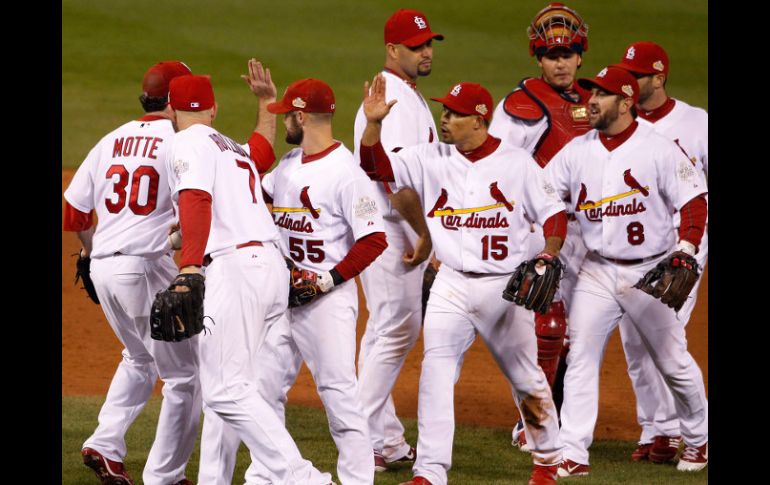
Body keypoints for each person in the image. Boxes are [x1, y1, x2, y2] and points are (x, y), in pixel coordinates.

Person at [360, 74, 567, 485]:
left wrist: (548, 253)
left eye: (454, 113)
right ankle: (430, 471)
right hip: (450, 284)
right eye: (444, 110)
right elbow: (375, 166)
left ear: (479, 119)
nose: (445, 117)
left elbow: (554, 215)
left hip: (503, 288)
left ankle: (547, 459)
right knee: (435, 372)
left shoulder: (516, 163)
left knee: (526, 376)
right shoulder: (429, 156)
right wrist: (374, 124)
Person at [166, 73, 333, 484]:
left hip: (237, 271)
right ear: (213, 109)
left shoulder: (186, 142)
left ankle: (304, 478)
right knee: (231, 386)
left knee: (224, 390)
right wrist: (265, 104)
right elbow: (260, 149)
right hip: (270, 269)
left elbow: (196, 198)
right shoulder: (229, 147)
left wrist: (189, 266)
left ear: (171, 111)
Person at [544, 66, 709, 476]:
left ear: (625, 101)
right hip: (597, 271)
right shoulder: (578, 150)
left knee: (672, 361)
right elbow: (544, 194)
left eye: (599, 94)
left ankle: (699, 438)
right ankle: (573, 453)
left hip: (649, 272)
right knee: (581, 356)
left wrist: (686, 247)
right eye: (589, 93)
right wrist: (549, 247)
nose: (590, 101)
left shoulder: (660, 148)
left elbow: (695, 201)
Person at [63, 60, 200, 485]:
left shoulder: (111, 139)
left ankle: (105, 445)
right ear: (176, 98)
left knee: (139, 358)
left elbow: (74, 211)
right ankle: (167, 476)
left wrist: (90, 256)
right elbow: (192, 211)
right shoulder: (179, 142)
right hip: (143, 268)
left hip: (104, 267)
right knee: (185, 376)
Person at [488, 1, 591, 451]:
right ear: (538, 57)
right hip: (540, 229)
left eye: (568, 54)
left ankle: (560, 413)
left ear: (581, 55)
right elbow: (497, 163)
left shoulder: (595, 97)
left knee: (578, 332)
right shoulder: (521, 104)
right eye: (552, 55)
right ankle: (532, 420)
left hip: (589, 230)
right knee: (548, 325)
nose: (561, 62)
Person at [352, 8, 442, 471]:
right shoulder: (398, 102)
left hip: (386, 225)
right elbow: (393, 179)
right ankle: (357, 437)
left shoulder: (405, 95)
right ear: (392, 49)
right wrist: (425, 234)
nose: (426, 52)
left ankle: (384, 442)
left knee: (382, 332)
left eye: (429, 44)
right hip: (393, 227)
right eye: (416, 46)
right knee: (396, 332)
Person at [612, 41, 709, 464]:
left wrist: (693, 243)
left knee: (664, 338)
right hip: (634, 248)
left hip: (682, 246)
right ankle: (657, 429)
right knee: (634, 342)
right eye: (626, 76)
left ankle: (689, 433)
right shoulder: (621, 123)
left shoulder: (695, 122)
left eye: (638, 76)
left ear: (659, 77)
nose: (630, 83)